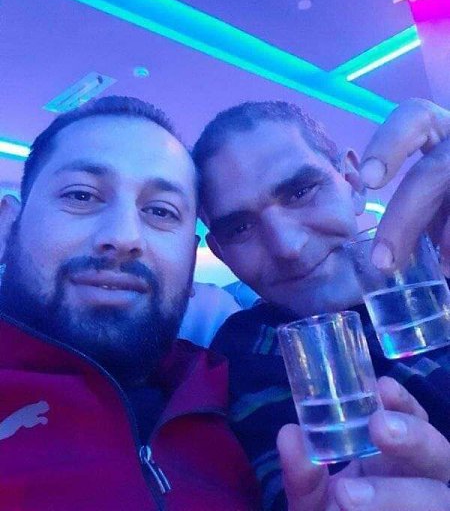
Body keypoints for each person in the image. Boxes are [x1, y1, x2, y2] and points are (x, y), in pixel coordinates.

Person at [0, 96, 261, 511]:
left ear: (192, 261)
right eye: (82, 195)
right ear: (7, 224)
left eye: (161, 211)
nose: (123, 237)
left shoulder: (245, 394)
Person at [193, 98, 450, 510]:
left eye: (301, 192)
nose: (288, 247)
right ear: (221, 253)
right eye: (239, 228)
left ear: (352, 181)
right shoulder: (246, 354)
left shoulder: (433, 289)